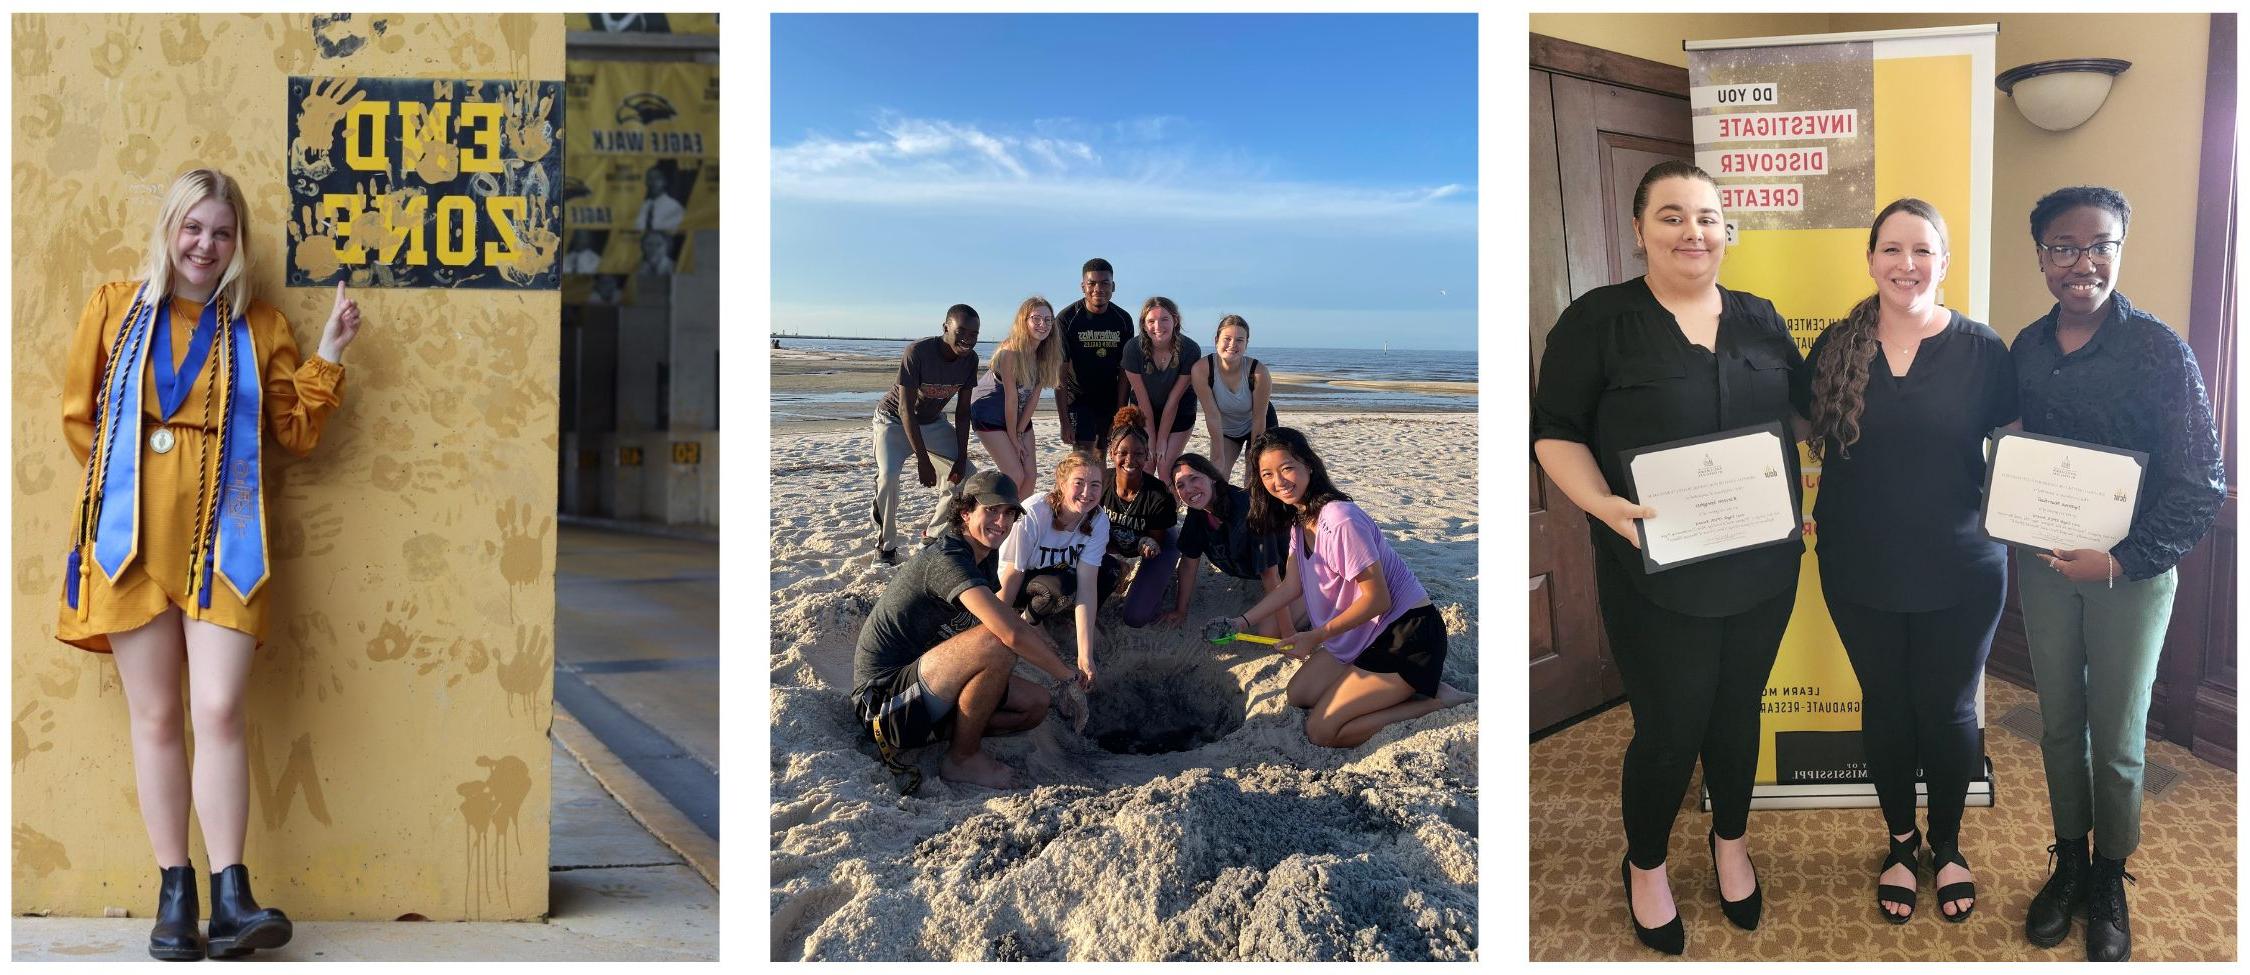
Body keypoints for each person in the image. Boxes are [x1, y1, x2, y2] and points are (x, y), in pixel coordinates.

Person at [58, 168, 364, 960]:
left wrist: (328, 353)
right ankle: (175, 891)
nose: (205, 244)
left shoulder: (259, 326)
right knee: (156, 716)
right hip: (130, 541)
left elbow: (295, 433)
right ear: (168, 230)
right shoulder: (112, 309)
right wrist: (139, 479)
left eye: (221, 232)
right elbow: (80, 419)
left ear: (238, 242)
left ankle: (233, 891)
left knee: (219, 708)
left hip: (224, 543)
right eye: (193, 228)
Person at [1530, 161, 1805, 954]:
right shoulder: (1599, 321)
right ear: (1641, 229)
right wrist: (1600, 503)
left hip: (1761, 568)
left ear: (1728, 231)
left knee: (1737, 711)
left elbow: (1807, 412)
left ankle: (1730, 841)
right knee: (1669, 725)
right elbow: (1554, 432)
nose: (1695, 232)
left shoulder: (1760, 318)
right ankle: (1645, 862)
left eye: (1709, 217)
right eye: (1674, 216)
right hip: (1655, 575)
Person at [2010, 186, 2222, 962]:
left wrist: (2122, 558)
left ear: (2119, 249)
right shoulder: (2027, 347)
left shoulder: (2160, 351)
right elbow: (2017, 443)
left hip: (2129, 575)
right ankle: (2067, 860)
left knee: (2121, 737)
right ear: (2040, 255)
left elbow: (2204, 483)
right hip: (2044, 568)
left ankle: (2109, 873)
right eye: (2063, 247)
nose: (2083, 262)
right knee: (2059, 721)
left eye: (2100, 244)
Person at [1793, 198, 2015, 925]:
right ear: (1870, 259)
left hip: (1963, 567)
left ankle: (1947, 846)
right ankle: (1900, 842)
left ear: (1944, 262)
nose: (1907, 264)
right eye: (1892, 249)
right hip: (1859, 566)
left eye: (1922, 250)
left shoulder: (1985, 351)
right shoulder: (1834, 345)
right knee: (1886, 704)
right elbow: (1795, 431)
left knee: (1949, 710)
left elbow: (2023, 452)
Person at [1226, 427, 1472, 749]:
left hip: (1404, 636)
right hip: (1361, 633)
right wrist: (1240, 623)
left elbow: (1378, 599)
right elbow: (1290, 587)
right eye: (1267, 474)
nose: (1279, 481)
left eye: (1287, 468)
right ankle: (1376, 691)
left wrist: (1315, 636)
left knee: (1322, 732)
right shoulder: (1300, 522)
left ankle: (1437, 700)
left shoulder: (1340, 519)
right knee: (1300, 695)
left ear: (1308, 467)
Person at [852, 471, 1089, 791]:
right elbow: (1009, 633)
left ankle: (955, 729)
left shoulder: (983, 554)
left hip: (931, 684)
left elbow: (1007, 617)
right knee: (998, 641)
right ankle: (962, 758)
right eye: (991, 510)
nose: (1001, 522)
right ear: (965, 512)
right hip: (884, 702)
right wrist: (1067, 676)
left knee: (1035, 705)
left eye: (1008, 513)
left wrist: (1058, 667)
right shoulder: (948, 557)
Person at [870, 305, 980, 564]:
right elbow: (905, 409)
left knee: (966, 475)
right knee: (888, 477)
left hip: (932, 422)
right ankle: (886, 547)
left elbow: (963, 413)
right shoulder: (917, 353)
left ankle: (931, 538)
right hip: (893, 420)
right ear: (945, 328)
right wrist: (923, 459)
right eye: (960, 331)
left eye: (974, 334)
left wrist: (962, 458)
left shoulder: (970, 360)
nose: (967, 338)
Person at [995, 450, 1109, 691]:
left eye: (1095, 485)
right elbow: (1011, 575)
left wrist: (1084, 655)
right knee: (1059, 588)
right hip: (1016, 581)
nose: (1087, 493)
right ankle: (1031, 622)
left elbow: (1088, 585)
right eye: (1079, 483)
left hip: (1053, 573)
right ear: (1062, 483)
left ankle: (1057, 618)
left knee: (1108, 571)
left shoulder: (1098, 520)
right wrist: (996, 629)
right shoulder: (1035, 512)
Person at [1164, 452, 1289, 637]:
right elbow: (1189, 562)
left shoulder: (1248, 508)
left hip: (1294, 573)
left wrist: (1289, 631)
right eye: (1180, 485)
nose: (1188, 489)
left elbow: (1270, 574)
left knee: (1270, 631)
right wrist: (1180, 610)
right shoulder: (1198, 511)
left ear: (1212, 478)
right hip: (1255, 574)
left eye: (1194, 479)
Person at [970, 297, 1061, 496]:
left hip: (1019, 412)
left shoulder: (1047, 354)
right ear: (1024, 320)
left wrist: (1020, 431)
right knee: (1014, 475)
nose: (1042, 324)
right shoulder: (1009, 351)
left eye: (1048, 320)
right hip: (990, 411)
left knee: (1030, 476)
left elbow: (1033, 397)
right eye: (1036, 318)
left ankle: (1016, 524)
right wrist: (1014, 439)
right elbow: (1010, 398)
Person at [1098, 407, 1179, 627]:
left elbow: (1156, 541)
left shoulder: (1158, 494)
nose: (1129, 460)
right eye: (1122, 452)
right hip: (1115, 544)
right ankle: (1121, 569)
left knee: (1135, 617)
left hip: (1158, 543)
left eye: (1138, 453)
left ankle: (1163, 577)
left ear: (1147, 455)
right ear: (1112, 453)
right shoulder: (1100, 484)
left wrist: (1148, 543)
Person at [1189, 314, 1279, 485]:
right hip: (1226, 428)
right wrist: (1218, 456)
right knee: (1218, 475)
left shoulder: (1258, 372)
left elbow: (1259, 419)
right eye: (1227, 338)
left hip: (1259, 423)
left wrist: (1254, 458)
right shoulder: (1202, 369)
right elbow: (1212, 415)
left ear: (1246, 344)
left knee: (1253, 478)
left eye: (1239, 340)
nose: (1232, 345)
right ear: (1216, 340)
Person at [1053, 258, 1132, 452]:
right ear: (1083, 286)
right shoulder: (1067, 319)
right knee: (1083, 454)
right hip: (1078, 397)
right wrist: (1064, 421)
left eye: (1105, 283)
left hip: (1109, 397)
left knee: (1102, 453)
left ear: (1113, 286)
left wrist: (1120, 414)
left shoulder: (1123, 319)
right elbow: (1059, 375)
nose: (1098, 288)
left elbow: (1125, 373)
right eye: (1092, 283)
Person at [1121, 297, 1202, 477]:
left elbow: (1174, 401)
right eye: (1151, 321)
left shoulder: (1190, 349)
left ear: (1175, 320)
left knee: (1165, 466)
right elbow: (1142, 401)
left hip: (1179, 411)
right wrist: (1151, 440)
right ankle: (1146, 505)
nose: (1158, 326)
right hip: (1143, 412)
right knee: (1147, 464)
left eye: (1164, 319)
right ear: (1143, 324)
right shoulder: (1132, 349)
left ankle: (1170, 505)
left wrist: (1162, 440)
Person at [633, 160, 685, 233]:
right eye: (650, 178)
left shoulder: (674, 207)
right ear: (646, 182)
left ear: (665, 182)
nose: (653, 182)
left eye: (657, 178)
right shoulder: (643, 206)